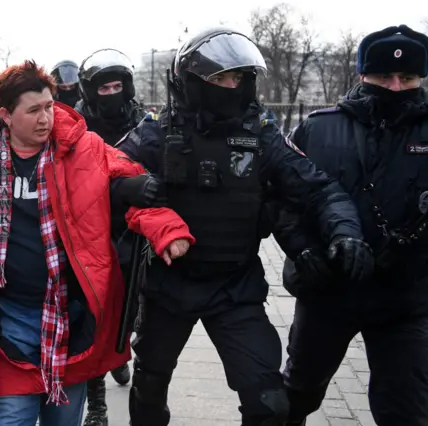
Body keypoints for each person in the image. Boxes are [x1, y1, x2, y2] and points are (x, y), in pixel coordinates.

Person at [116, 27, 375, 426]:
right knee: (149, 391)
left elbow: (319, 190)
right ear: (192, 81)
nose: (231, 86)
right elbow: (99, 174)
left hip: (234, 288)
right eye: (220, 78)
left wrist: (345, 232)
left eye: (238, 78)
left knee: (269, 402)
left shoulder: (262, 136)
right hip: (168, 285)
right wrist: (125, 188)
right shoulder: (157, 131)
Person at [0, 59, 195, 426]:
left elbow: (132, 187)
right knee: (9, 418)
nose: (45, 119)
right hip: (6, 318)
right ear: (6, 115)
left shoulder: (85, 148)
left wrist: (168, 231)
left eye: (49, 107)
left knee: (64, 421)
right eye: (33, 110)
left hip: (69, 317)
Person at [266, 25, 428, 426]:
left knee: (407, 411)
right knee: (295, 397)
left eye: (406, 78)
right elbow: (283, 201)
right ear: (362, 76)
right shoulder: (318, 128)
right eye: (383, 77)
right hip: (328, 292)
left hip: (405, 301)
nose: (394, 87)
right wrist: (303, 250)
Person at [75, 47, 146, 426]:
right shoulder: (76, 127)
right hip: (88, 234)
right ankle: (97, 406)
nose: (112, 93)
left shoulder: (145, 125)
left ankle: (120, 355)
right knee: (92, 320)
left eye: (118, 85)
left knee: (130, 316)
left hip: (133, 235)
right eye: (104, 87)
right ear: (91, 91)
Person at [76, 49, 145, 146]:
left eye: (117, 87)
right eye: (104, 88)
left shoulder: (140, 120)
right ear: (92, 93)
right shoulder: (78, 125)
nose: (111, 93)